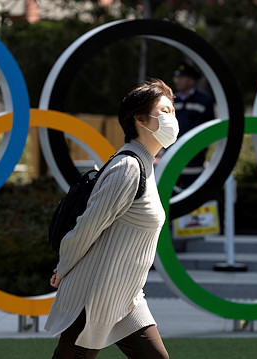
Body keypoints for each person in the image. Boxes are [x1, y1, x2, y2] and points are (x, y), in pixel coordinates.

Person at [45, 78, 177, 359]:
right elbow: (86, 229)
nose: (172, 119)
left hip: (125, 297)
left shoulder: (146, 165)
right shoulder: (128, 167)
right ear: (140, 119)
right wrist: (63, 268)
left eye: (173, 111)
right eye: (164, 112)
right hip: (93, 295)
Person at [172, 61, 215, 189]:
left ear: (191, 81)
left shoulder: (204, 100)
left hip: (194, 164)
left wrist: (199, 149)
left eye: (181, 77)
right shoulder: (171, 100)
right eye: (177, 77)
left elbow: (210, 130)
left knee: (194, 204)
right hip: (172, 163)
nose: (177, 81)